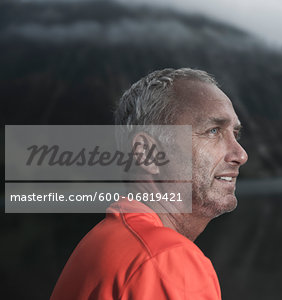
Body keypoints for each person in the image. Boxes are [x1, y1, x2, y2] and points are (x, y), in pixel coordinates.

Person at [50, 68, 248, 299]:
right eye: (213, 131)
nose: (241, 154)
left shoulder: (101, 242)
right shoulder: (165, 259)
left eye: (236, 133)